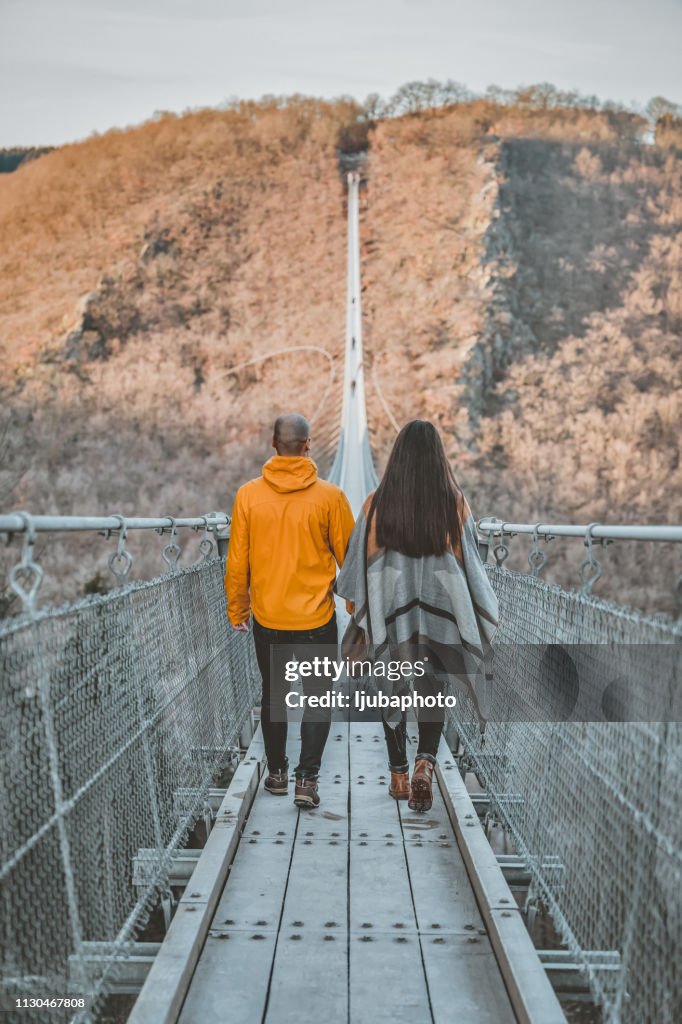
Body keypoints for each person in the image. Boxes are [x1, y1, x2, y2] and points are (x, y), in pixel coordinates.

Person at [335, 419, 498, 812]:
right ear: (438, 458)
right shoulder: (453, 502)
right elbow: (471, 564)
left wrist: (360, 612)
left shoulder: (376, 503)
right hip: (439, 617)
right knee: (432, 686)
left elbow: (357, 563)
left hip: (392, 617)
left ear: (397, 458)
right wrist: (475, 613)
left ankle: (398, 775)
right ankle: (426, 762)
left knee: (390, 686)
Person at [225, 413, 355, 808]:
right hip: (316, 619)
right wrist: (353, 606)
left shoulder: (249, 495)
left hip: (268, 619)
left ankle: (277, 773)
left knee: (274, 695)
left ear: (272, 443)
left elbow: (237, 561)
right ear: (309, 445)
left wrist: (238, 608)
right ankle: (306, 781)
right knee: (317, 698)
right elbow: (350, 562)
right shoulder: (330, 497)